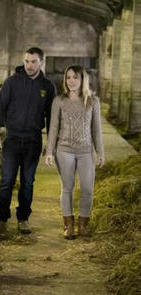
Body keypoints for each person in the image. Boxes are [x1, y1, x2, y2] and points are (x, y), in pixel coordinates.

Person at [0, 47, 56, 237]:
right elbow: (0, 106)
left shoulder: (48, 86)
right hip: (12, 139)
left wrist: (50, 145)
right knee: (7, 180)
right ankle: (0, 219)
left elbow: (52, 117)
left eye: (33, 61)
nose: (29, 65)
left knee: (28, 182)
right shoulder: (12, 82)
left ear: (41, 63)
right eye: (26, 61)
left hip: (33, 140)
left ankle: (23, 219)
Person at [44, 65, 104, 239]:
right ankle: (68, 226)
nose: (71, 81)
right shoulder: (59, 101)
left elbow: (96, 130)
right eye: (68, 77)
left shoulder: (93, 101)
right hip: (64, 151)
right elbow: (53, 128)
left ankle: (83, 226)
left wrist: (100, 152)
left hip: (86, 151)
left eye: (75, 77)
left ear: (83, 79)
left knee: (87, 189)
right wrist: (50, 151)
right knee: (67, 188)